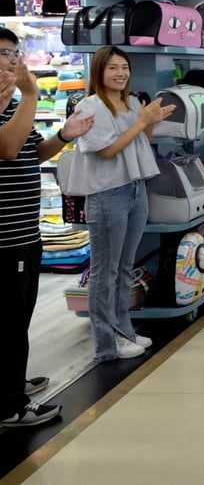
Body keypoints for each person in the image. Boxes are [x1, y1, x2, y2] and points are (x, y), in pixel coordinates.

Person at [0, 27, 92, 427]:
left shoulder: (11, 108)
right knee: (7, 322)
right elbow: (6, 149)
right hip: (5, 240)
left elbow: (32, 151)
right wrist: (32, 95)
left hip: (25, 234)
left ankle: (10, 383)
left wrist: (64, 136)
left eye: (14, 52)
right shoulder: (22, 102)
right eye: (5, 53)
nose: (13, 60)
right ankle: (8, 407)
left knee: (17, 318)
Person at [63, 46, 173, 363]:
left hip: (135, 188)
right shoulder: (90, 106)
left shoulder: (130, 102)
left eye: (124, 67)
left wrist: (149, 121)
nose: (121, 73)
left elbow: (141, 143)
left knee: (125, 268)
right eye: (113, 67)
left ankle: (123, 329)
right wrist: (141, 122)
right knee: (105, 272)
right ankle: (107, 343)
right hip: (107, 194)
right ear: (99, 71)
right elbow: (107, 151)